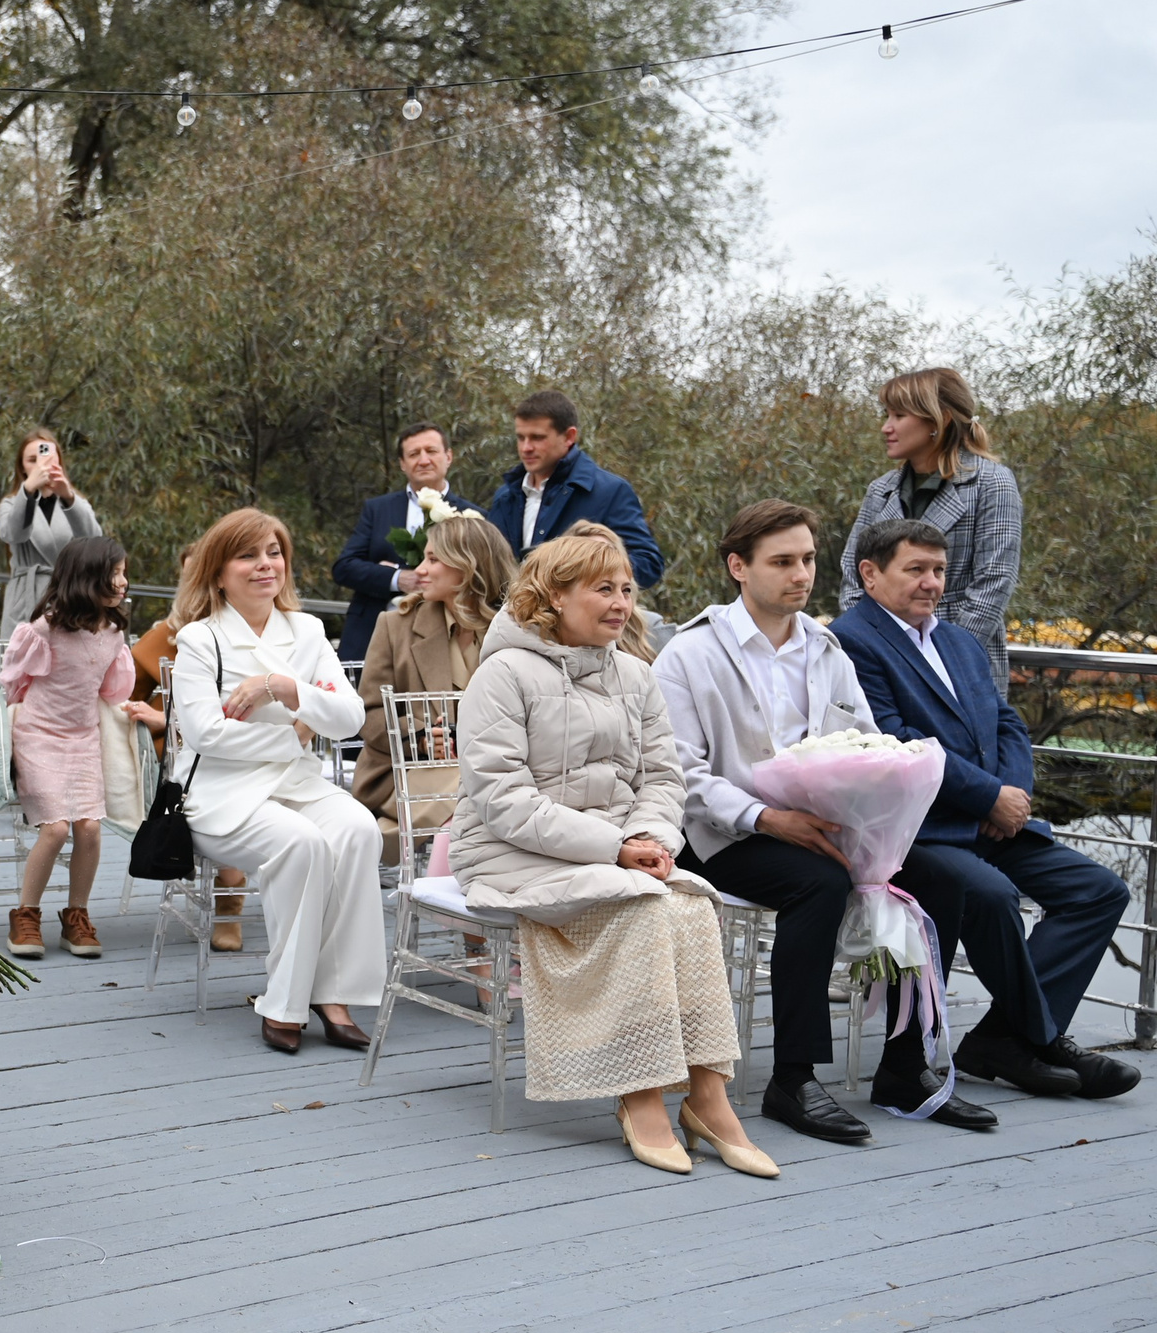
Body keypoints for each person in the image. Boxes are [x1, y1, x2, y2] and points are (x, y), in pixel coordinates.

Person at [449, 523, 772, 1177]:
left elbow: (663, 778)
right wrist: (617, 847)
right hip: (511, 851)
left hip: (615, 852)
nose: (622, 601)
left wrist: (652, 840)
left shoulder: (635, 673)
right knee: (646, 907)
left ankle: (708, 1094)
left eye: (627, 588)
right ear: (553, 595)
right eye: (603, 588)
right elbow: (503, 802)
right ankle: (642, 1093)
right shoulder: (502, 674)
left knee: (690, 905)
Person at [649, 501, 960, 1145]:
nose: (801, 574)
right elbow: (680, 774)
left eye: (809, 559)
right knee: (816, 884)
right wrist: (766, 816)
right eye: (782, 561)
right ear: (738, 567)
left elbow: (866, 743)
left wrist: (875, 801)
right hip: (720, 835)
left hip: (823, 829)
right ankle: (793, 1078)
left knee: (939, 879)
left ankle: (902, 1066)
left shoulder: (826, 648)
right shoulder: (689, 654)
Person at [832, 518, 1138, 1109]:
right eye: (915, 569)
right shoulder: (852, 642)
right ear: (870, 574)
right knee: (991, 895)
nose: (931, 583)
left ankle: (1001, 1039)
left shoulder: (957, 641)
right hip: (918, 829)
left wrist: (1009, 799)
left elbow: (1006, 721)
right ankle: (1042, 1040)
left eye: (939, 570)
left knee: (1098, 890)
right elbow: (894, 743)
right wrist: (986, 799)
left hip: (988, 818)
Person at [170, 508, 383, 1055]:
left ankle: (332, 991)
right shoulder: (200, 639)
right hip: (222, 798)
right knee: (302, 842)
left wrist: (282, 687)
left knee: (359, 829)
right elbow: (203, 734)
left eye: (274, 552)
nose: (266, 565)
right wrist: (297, 734)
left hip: (298, 786)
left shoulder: (307, 630)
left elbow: (351, 717)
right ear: (218, 572)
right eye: (248, 555)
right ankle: (285, 1000)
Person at [0, 536, 166, 961]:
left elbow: (112, 688)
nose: (124, 581)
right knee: (55, 827)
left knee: (89, 827)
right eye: (115, 573)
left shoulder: (112, 632)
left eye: (124, 572)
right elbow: (15, 682)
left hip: (84, 737)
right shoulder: (44, 628)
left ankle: (77, 914)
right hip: (39, 735)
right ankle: (26, 912)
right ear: (86, 579)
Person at [836, 368, 1023, 692]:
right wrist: (871, 646)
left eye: (899, 415)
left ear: (939, 420)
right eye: (887, 414)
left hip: (962, 670)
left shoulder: (991, 483)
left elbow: (994, 583)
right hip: (880, 670)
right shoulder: (881, 490)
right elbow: (854, 577)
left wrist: (943, 654)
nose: (886, 427)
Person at [351, 511, 515, 864]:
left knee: (484, 786)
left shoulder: (515, 633)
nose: (419, 570)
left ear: (469, 566)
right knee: (484, 790)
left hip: (494, 770)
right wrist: (422, 738)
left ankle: (408, 864)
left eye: (433, 559)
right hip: (407, 775)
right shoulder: (395, 626)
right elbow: (369, 715)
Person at [128, 582, 249, 954]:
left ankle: (234, 897)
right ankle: (229, 899)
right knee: (222, 791)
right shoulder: (165, 635)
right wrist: (160, 717)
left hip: (246, 744)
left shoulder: (250, 636)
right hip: (183, 758)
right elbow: (124, 693)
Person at [332, 421, 486, 662]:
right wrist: (397, 578)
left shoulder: (472, 516)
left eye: (431, 451)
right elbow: (344, 567)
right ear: (403, 464)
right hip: (374, 635)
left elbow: (483, 576)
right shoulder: (377, 509)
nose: (423, 460)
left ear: (448, 456)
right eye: (414, 454)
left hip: (446, 638)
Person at [482, 390, 664, 587]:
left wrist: (581, 573)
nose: (526, 447)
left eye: (537, 437)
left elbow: (647, 563)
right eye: (520, 437)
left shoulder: (610, 491)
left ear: (569, 436)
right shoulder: (505, 496)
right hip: (511, 615)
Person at [0, 431, 101, 639]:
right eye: (31, 460)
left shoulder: (74, 502)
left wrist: (67, 495)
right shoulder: (11, 503)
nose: (39, 465)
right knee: (21, 663)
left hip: (67, 594)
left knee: (64, 663)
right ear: (22, 467)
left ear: (59, 461)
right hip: (26, 597)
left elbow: (93, 541)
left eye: (46, 457)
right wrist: (27, 491)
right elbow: (14, 534)